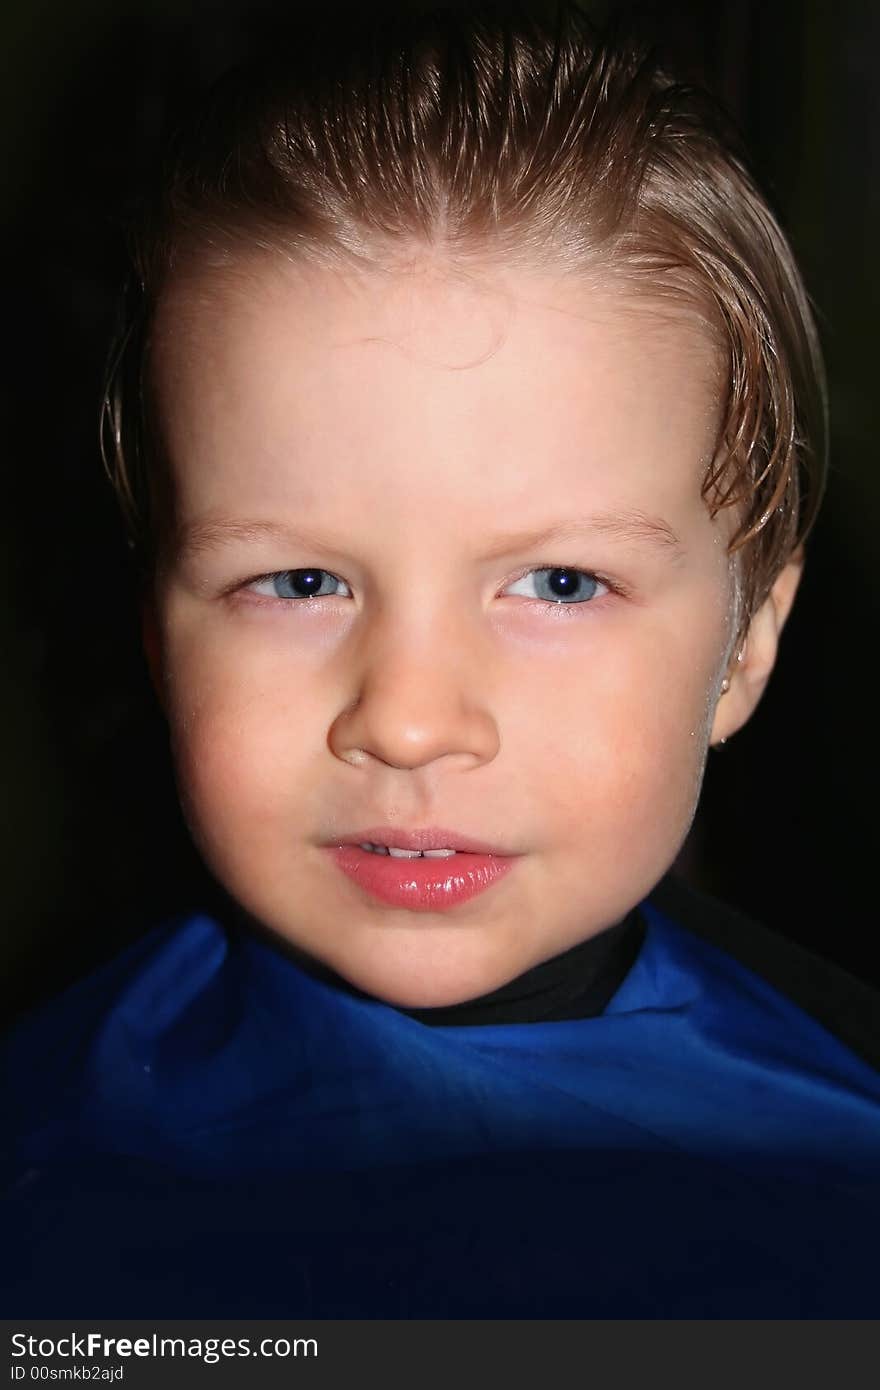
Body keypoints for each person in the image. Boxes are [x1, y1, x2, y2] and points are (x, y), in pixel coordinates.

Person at [4, 1, 879, 1318]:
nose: (409, 722)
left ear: (747, 642)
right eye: (298, 581)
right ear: (155, 625)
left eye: (561, 581)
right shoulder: (39, 1164)